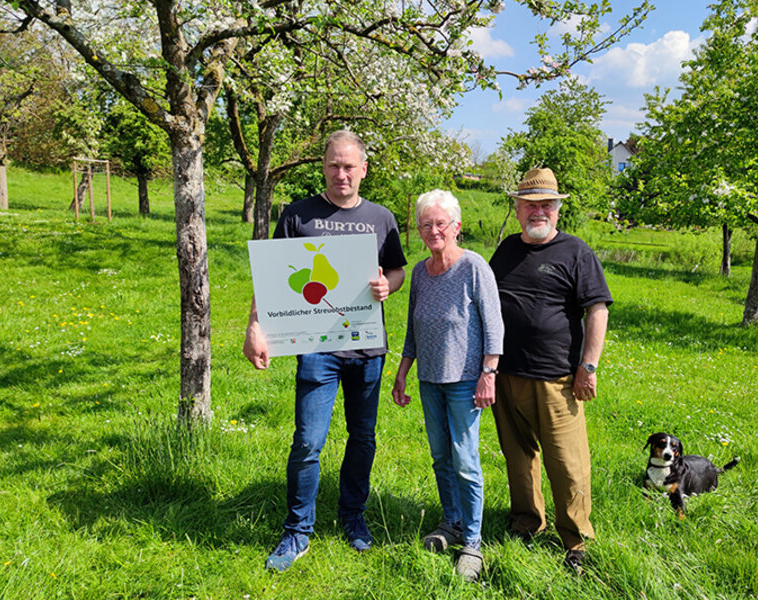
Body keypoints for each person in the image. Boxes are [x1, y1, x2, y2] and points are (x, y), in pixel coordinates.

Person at [243, 130, 407, 572]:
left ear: (364, 169)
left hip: (367, 347)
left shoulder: (381, 218)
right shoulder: (298, 215)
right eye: (334, 165)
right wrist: (254, 326)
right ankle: (298, 531)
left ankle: (353, 518)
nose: (341, 174)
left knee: (363, 437)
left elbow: (397, 271)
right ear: (323, 166)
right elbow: (271, 278)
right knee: (308, 441)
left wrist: (385, 286)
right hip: (315, 349)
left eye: (350, 166)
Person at [488, 167, 612, 575]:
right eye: (529, 205)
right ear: (519, 209)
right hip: (505, 373)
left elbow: (597, 310)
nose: (537, 211)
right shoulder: (506, 250)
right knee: (518, 455)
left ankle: (576, 540)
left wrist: (588, 367)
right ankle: (527, 522)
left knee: (567, 462)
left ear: (557, 210)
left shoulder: (576, 252)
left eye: (545, 205)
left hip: (558, 378)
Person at [391, 189, 503, 582]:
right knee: (441, 457)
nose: (434, 230)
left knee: (466, 461)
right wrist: (403, 371)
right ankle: (451, 522)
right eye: (426, 224)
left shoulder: (474, 267)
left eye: (441, 223)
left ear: (456, 226)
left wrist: (488, 373)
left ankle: (473, 541)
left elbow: (494, 325)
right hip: (429, 380)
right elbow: (412, 329)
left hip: (465, 381)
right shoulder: (421, 272)